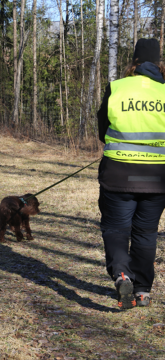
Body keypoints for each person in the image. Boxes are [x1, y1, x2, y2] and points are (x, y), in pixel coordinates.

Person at [97, 38, 165, 310]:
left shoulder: (117, 87)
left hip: (118, 174)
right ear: (159, 63)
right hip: (158, 178)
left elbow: (103, 129)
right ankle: (143, 291)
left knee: (115, 229)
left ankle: (122, 274)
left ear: (134, 63)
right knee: (146, 233)